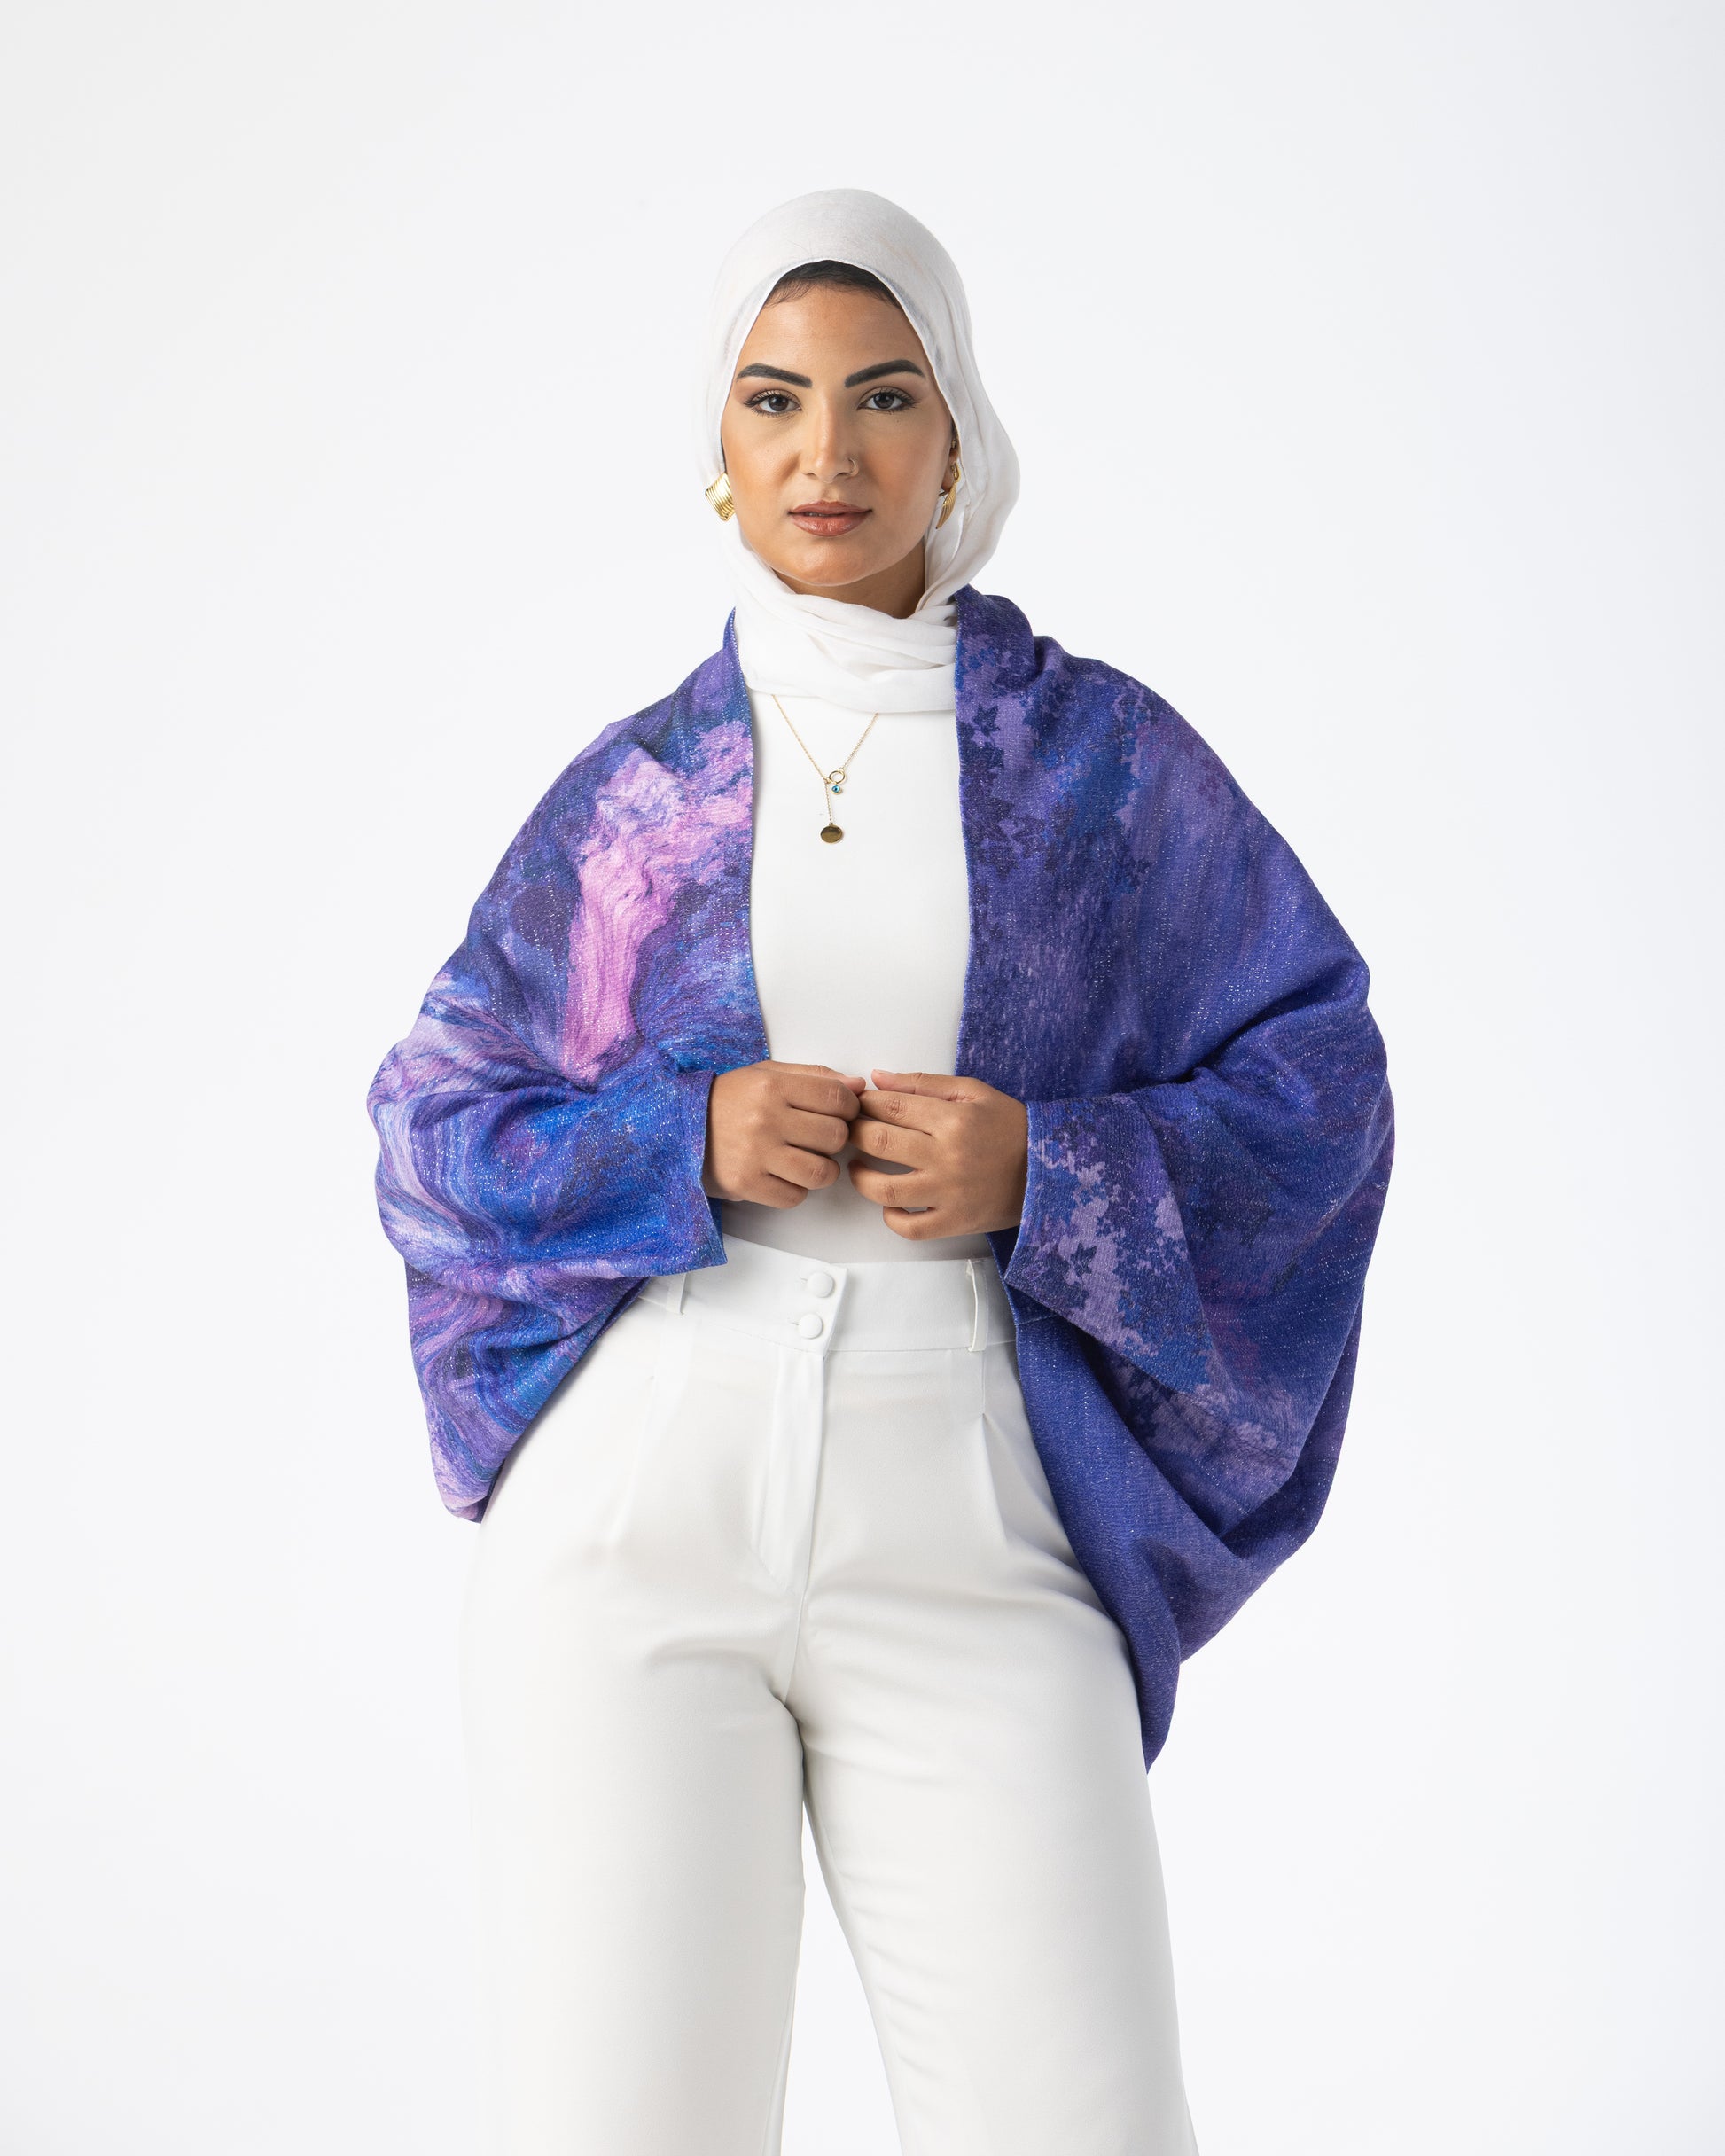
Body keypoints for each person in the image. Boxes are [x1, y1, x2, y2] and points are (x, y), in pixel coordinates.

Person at [368, 187, 1393, 2156]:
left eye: (881, 396)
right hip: (637, 1514)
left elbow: (1318, 1082)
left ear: (958, 438)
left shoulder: (1098, 768)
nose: (824, 451)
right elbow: (433, 1130)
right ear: (718, 446)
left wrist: (1050, 1170)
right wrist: (677, 1139)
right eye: (773, 400)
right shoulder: (636, 794)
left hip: (973, 1511)